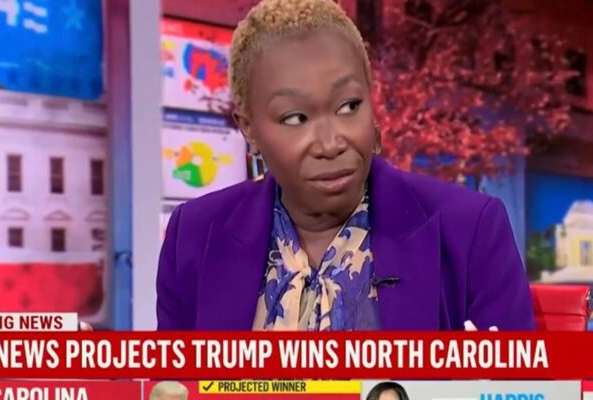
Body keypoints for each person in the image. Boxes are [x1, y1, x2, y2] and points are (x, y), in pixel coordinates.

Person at [156, 0, 535, 331]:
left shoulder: (470, 232)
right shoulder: (194, 236)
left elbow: (515, 381)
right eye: (295, 118)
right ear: (249, 129)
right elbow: (172, 384)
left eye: (349, 106)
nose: (331, 143)